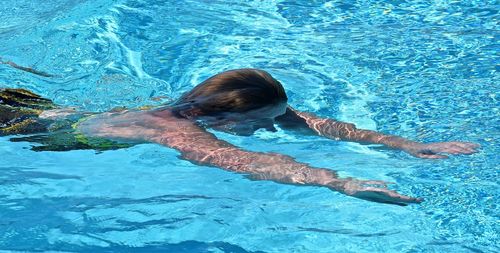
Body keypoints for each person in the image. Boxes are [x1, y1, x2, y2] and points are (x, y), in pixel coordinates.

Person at [0, 68, 479, 205]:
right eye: (256, 123)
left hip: (46, 106)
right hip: (34, 132)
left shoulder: (206, 108)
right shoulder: (175, 130)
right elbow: (244, 163)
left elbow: (306, 122)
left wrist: (406, 145)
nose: (268, 128)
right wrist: (343, 183)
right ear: (215, 118)